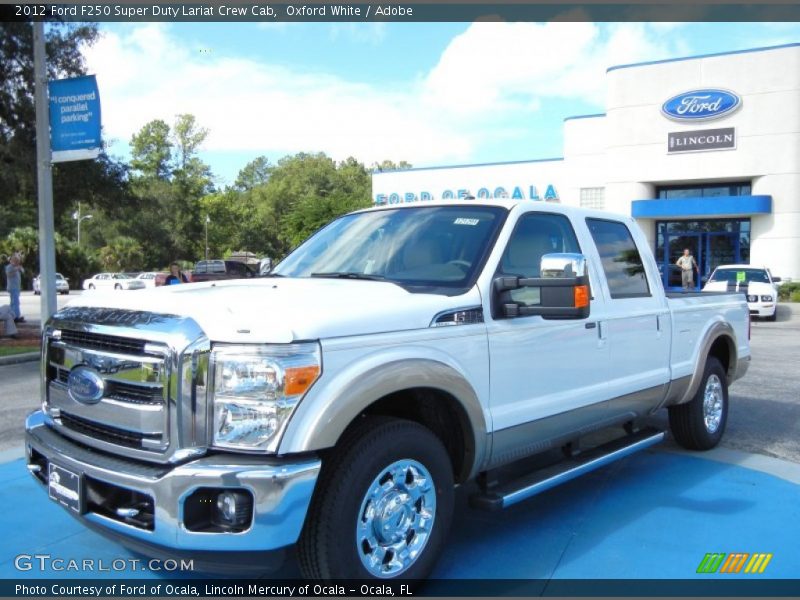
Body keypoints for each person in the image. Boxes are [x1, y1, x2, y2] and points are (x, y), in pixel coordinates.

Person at [5, 253, 24, 322]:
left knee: (14, 302)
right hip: (12, 287)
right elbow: (9, 274)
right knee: (15, 302)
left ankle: (13, 315)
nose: (17, 262)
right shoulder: (9, 267)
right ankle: (16, 316)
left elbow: (23, 271)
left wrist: (19, 268)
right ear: (13, 260)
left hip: (17, 287)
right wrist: (16, 269)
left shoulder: (17, 267)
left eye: (18, 261)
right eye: (16, 260)